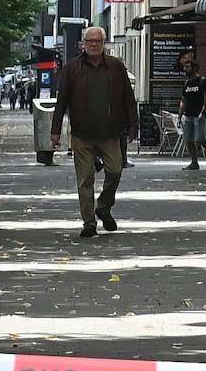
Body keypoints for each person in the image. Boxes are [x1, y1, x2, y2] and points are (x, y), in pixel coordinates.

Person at [49, 26, 139, 238]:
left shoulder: (116, 67)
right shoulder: (73, 68)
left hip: (110, 132)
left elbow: (128, 97)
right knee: (85, 178)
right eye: (90, 41)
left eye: (97, 41)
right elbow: (62, 101)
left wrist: (133, 125)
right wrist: (55, 131)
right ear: (83, 43)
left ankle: (104, 206)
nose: (93, 44)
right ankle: (89, 222)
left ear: (104, 43)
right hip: (82, 133)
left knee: (115, 170)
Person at [179, 52, 206, 169]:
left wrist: (203, 112)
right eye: (185, 67)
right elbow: (184, 100)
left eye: (188, 67)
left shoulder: (202, 81)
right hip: (188, 115)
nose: (185, 69)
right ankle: (194, 162)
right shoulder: (186, 83)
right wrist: (180, 114)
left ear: (195, 68)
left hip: (200, 115)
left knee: (200, 137)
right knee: (189, 140)